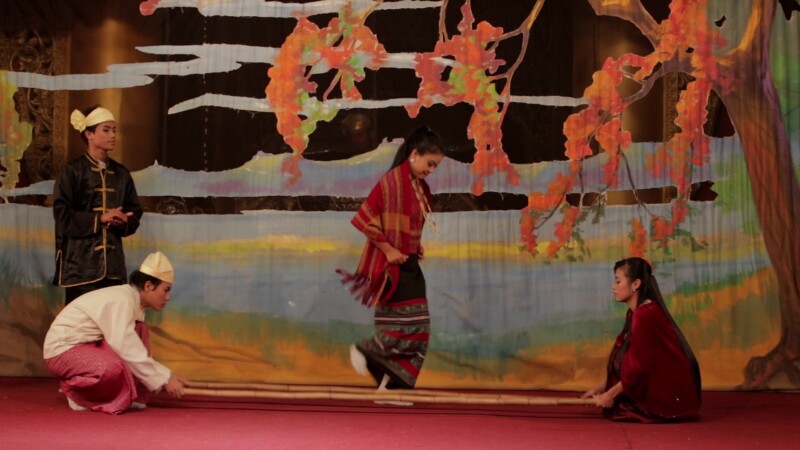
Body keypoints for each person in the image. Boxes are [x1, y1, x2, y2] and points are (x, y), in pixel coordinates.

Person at [338, 126, 445, 400]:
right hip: (390, 269)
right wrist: (387, 249)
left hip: (408, 263)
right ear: (414, 154)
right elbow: (365, 217)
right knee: (407, 328)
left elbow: (410, 225)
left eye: (435, 166)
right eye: (429, 163)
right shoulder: (391, 183)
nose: (431, 169)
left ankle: (392, 386)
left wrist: (415, 244)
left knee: (416, 329)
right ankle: (366, 351)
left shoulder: (421, 189)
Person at [43, 251, 187, 414]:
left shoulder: (134, 303)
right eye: (166, 290)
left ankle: (133, 394)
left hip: (89, 345)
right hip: (61, 351)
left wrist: (165, 375)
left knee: (139, 329)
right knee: (112, 367)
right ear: (148, 286)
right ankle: (76, 391)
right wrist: (164, 377)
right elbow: (125, 345)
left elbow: (131, 344)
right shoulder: (123, 300)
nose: (168, 297)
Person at [582, 257, 702, 422]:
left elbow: (639, 366)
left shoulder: (645, 315)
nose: (613, 286)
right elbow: (627, 360)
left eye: (618, 281)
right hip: (660, 384)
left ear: (635, 284)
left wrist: (609, 395)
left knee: (620, 408)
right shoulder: (638, 312)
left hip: (668, 394)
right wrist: (600, 389)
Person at [53, 105, 143, 304]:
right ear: (89, 134)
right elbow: (63, 217)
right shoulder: (72, 172)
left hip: (113, 269)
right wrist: (100, 218)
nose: (113, 135)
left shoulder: (122, 174)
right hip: (80, 268)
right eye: (106, 129)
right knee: (81, 330)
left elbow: (134, 212)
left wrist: (123, 222)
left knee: (109, 330)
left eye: (114, 130)